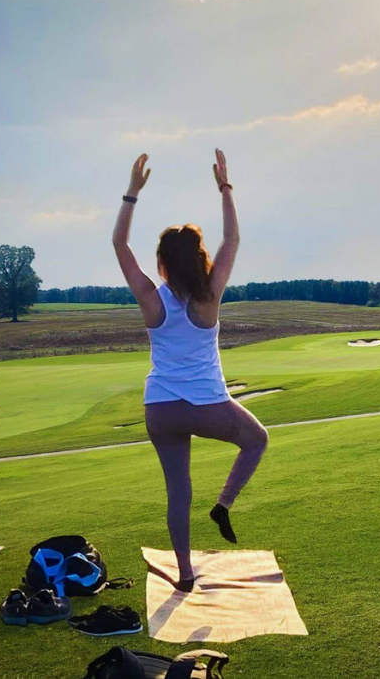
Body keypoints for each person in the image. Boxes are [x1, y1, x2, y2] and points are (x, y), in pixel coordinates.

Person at [112, 149, 269, 591]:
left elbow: (120, 246)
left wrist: (132, 193)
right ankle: (223, 505)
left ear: (162, 262)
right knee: (256, 440)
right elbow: (232, 240)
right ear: (198, 259)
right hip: (206, 405)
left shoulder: (151, 297)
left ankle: (184, 575)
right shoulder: (208, 296)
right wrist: (225, 187)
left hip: (160, 408)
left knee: (178, 491)